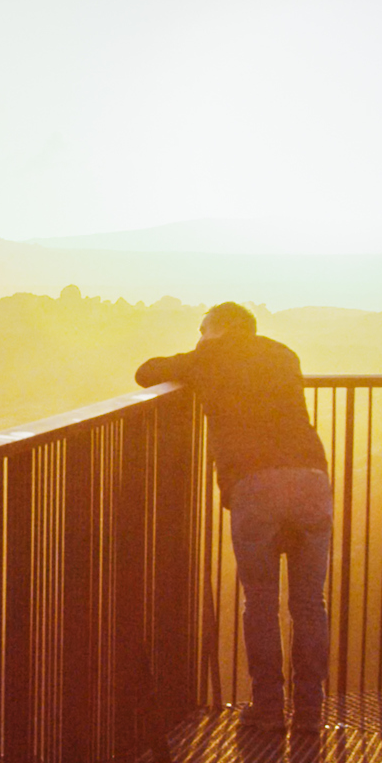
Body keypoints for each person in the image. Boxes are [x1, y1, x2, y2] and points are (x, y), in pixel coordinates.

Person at [136, 302, 332, 730]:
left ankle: (268, 708)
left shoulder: (209, 355)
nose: (199, 336)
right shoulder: (284, 353)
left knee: (261, 600)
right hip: (312, 480)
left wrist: (198, 355)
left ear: (218, 329)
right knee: (308, 603)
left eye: (202, 328)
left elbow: (146, 372)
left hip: (256, 484)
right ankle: (310, 711)